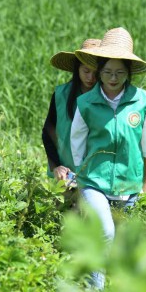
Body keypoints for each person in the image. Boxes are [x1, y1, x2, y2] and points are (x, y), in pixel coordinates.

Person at [70, 27, 146, 290]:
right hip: (94, 180)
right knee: (106, 232)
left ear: (129, 73)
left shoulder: (141, 101)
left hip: (128, 182)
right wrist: (81, 175)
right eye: (108, 72)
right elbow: (77, 142)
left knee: (122, 243)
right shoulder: (87, 103)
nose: (113, 78)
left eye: (120, 72)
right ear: (99, 72)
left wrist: (145, 177)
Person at [42, 38, 101, 185]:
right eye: (86, 71)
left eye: (96, 72)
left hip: (99, 174)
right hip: (67, 173)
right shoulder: (61, 94)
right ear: (77, 69)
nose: (90, 77)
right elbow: (48, 131)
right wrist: (56, 166)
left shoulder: (107, 97)